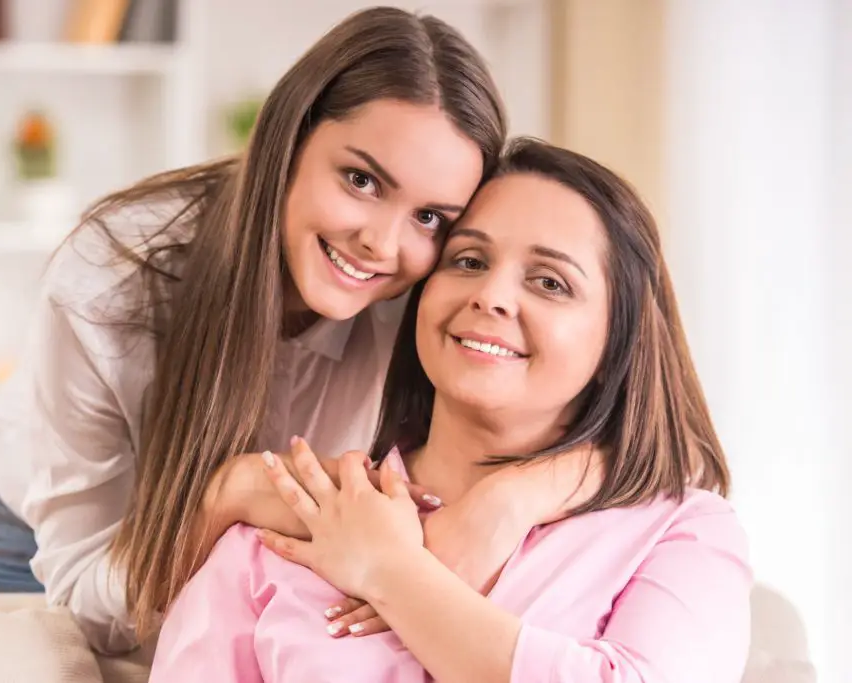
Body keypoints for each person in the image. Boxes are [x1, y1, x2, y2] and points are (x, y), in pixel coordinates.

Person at [0, 6, 507, 654]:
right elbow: (89, 611)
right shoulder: (108, 282)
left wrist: (511, 500)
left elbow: (624, 423)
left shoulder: (430, 297)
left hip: (237, 547)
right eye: (361, 179)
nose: (382, 243)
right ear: (289, 138)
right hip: (40, 541)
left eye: (431, 217)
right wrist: (227, 495)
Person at [148, 138, 754, 683]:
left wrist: (393, 573)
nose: (490, 296)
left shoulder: (678, 532)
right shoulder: (284, 527)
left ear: (619, 337)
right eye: (467, 261)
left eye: (549, 282)